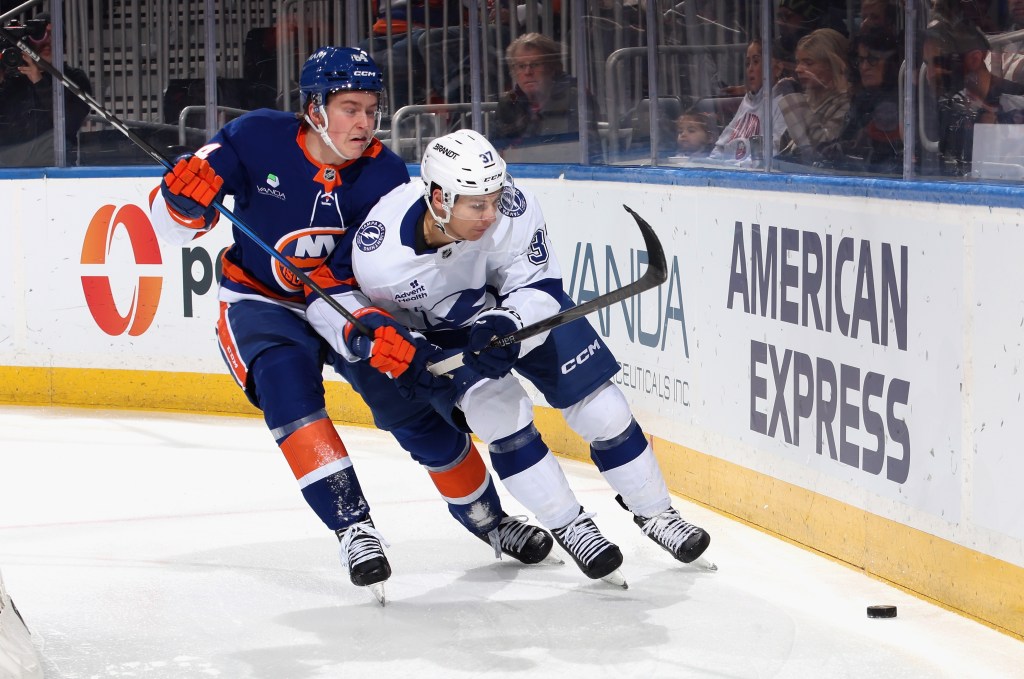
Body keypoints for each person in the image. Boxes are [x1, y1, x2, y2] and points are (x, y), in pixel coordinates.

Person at [147, 47, 551, 600]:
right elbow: (173, 229)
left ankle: (489, 520)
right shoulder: (254, 137)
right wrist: (179, 202)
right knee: (289, 394)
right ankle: (353, 529)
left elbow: (383, 269)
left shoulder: (383, 172)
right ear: (314, 108)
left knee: (411, 412)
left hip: (348, 306)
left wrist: (388, 332)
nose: (364, 122)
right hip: (262, 303)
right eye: (349, 108)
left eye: (371, 109)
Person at [308, 128, 713, 585]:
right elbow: (330, 298)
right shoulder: (378, 253)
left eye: (495, 198)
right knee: (501, 416)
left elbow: (540, 286)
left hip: (517, 314)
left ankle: (657, 514)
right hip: (444, 337)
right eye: (476, 205)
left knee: (604, 409)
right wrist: (401, 350)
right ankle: (572, 525)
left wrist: (510, 325)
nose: (491, 213)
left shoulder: (512, 208)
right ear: (439, 198)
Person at [491, 32, 602, 161]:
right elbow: (493, 152)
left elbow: (590, 154)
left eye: (536, 64)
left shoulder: (577, 99)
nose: (528, 72)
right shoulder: (508, 103)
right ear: (514, 71)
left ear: (552, 67)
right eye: (521, 66)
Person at [0, 12, 91, 166]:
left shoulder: (75, 79)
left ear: (63, 43)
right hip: (9, 170)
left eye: (54, 36)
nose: (48, 42)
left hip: (57, 170)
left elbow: (69, 123)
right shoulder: (13, 79)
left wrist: (38, 81)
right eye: (40, 35)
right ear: (29, 41)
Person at [825, 25, 903, 174]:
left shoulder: (897, 102)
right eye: (861, 60)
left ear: (890, 62)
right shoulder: (862, 99)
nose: (864, 67)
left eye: (872, 59)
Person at [709, 38, 790, 167]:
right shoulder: (747, 101)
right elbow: (721, 147)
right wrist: (710, 165)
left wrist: (739, 167)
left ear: (777, 68)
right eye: (747, 63)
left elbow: (774, 152)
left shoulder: (784, 103)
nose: (750, 69)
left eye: (756, 61)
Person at [776, 28, 852, 165]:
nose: (798, 69)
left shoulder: (846, 104)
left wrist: (793, 99)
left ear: (833, 65)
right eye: (798, 62)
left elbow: (818, 151)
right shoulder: (808, 100)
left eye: (808, 63)